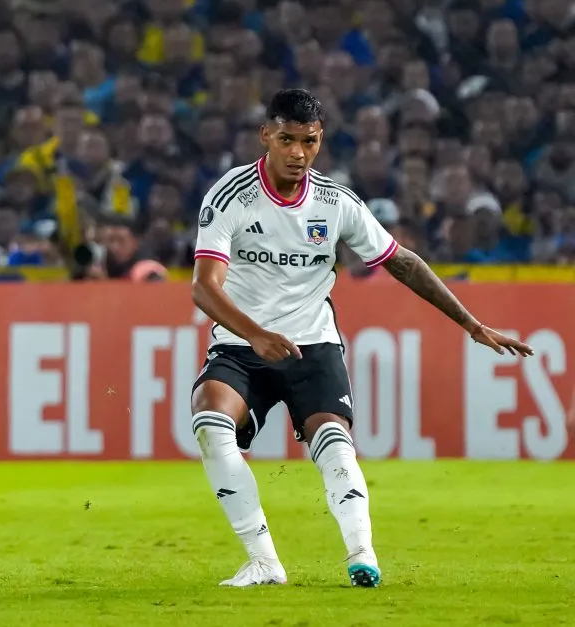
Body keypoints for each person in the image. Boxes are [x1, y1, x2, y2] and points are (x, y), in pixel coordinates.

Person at [190, 89, 533, 588]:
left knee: (334, 441)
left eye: (308, 141)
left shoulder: (335, 201)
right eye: (286, 139)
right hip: (244, 345)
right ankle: (264, 561)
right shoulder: (231, 197)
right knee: (209, 420)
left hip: (313, 345)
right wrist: (257, 335)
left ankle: (361, 555)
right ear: (266, 135)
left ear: (320, 139)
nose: (298, 153)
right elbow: (204, 287)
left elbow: (404, 263)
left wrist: (471, 324)